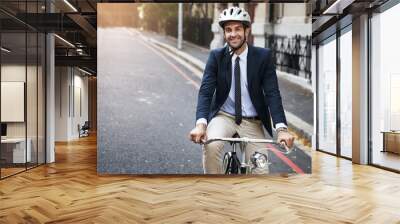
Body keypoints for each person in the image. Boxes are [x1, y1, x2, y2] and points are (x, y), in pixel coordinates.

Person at [189, 6, 294, 174]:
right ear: (224, 33)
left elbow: (272, 94)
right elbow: (206, 92)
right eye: (228, 30)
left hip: (253, 121)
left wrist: (282, 130)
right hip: (224, 117)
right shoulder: (216, 57)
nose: (233, 34)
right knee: (211, 145)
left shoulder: (263, 57)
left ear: (247, 30)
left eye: (238, 29)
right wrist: (201, 125)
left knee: (260, 171)